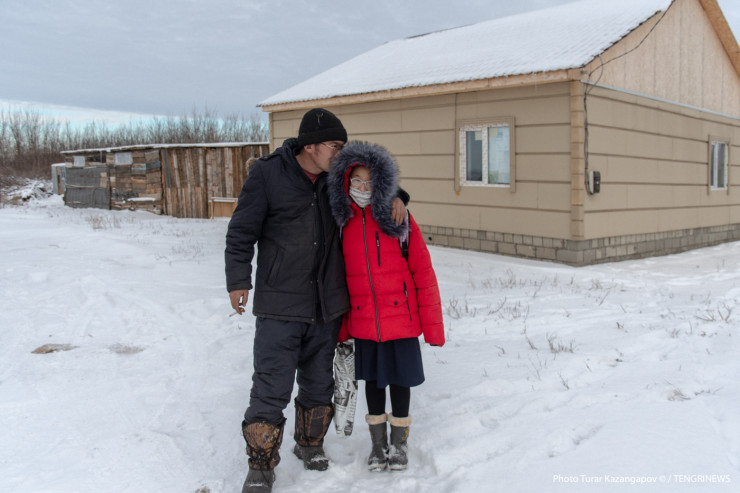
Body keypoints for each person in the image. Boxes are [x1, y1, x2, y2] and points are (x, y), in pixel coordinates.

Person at [225, 109, 407, 493]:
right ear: (309, 146)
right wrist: (238, 280)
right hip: (280, 303)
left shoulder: (337, 177)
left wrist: (397, 197)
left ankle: (310, 445)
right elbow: (241, 231)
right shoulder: (268, 175)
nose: (340, 153)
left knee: (318, 383)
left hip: (326, 302)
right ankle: (260, 465)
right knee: (271, 385)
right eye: (334, 145)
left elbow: (370, 183)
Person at [327, 141, 445, 472]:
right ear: (346, 182)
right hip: (364, 320)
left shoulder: (398, 218)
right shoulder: (342, 223)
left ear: (381, 183)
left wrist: (433, 328)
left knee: (400, 381)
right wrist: (341, 327)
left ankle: (399, 443)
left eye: (370, 182)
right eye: (357, 182)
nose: (363, 189)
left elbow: (423, 272)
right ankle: (378, 445)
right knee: (375, 383)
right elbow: (337, 278)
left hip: (401, 319)